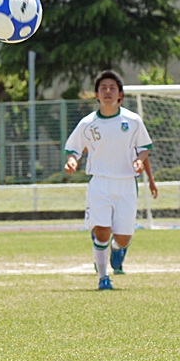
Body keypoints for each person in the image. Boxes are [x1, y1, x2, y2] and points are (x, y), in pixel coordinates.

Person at [64, 70, 153, 290]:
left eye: (112, 87)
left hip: (126, 184)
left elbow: (144, 149)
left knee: (122, 237)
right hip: (100, 183)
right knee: (101, 230)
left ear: (120, 94)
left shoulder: (132, 120)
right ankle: (103, 277)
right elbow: (73, 149)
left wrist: (140, 162)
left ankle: (117, 250)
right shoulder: (87, 123)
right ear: (96, 94)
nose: (107, 91)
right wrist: (72, 161)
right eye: (103, 88)